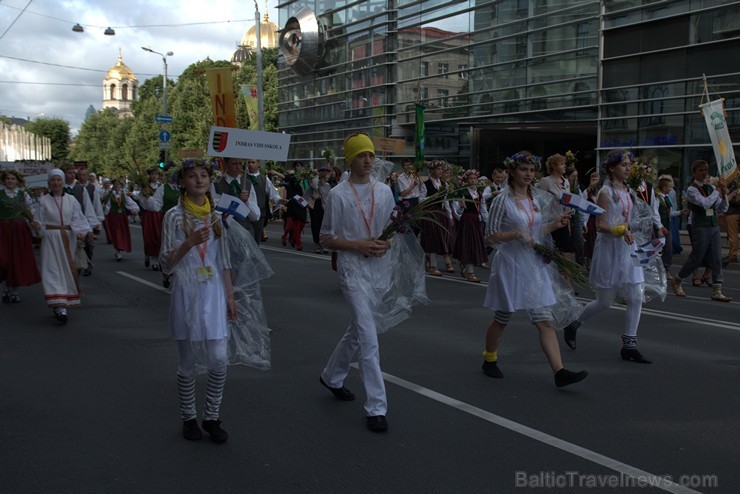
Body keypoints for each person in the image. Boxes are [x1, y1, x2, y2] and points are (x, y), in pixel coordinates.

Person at [482, 151, 587, 387]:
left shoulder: (534, 199)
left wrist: (554, 225)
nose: (528, 175)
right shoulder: (502, 200)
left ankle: (559, 372)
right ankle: (489, 358)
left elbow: (535, 233)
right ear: (512, 171)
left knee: (543, 319)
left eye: (531, 170)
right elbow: (489, 237)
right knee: (502, 317)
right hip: (510, 264)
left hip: (533, 264)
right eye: (523, 170)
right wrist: (515, 234)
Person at [318, 133, 398, 433]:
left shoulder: (384, 191)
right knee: (368, 336)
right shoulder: (338, 194)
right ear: (350, 159)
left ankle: (331, 376)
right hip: (352, 269)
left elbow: (393, 229)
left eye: (370, 155)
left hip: (380, 268)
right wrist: (358, 246)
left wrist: (385, 245)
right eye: (362, 155)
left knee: (360, 329)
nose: (368, 160)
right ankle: (377, 407)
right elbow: (326, 238)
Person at [159, 159, 238, 443]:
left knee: (219, 359)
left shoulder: (216, 216)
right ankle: (189, 417)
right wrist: (189, 242)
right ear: (182, 182)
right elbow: (165, 264)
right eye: (192, 176)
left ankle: (212, 416)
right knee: (189, 360)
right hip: (187, 291)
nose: (199, 180)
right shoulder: (173, 216)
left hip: (214, 292)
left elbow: (224, 261)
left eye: (204, 175)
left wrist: (230, 295)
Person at [562, 150, 653, 364]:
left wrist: (640, 226)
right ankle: (574, 324)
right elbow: (601, 225)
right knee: (604, 302)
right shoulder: (605, 192)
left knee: (636, 296)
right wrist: (622, 229)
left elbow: (631, 218)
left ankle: (629, 345)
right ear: (612, 168)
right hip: (611, 248)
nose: (628, 168)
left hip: (628, 247)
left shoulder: (630, 191)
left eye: (629, 164)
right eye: (623, 164)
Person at [32, 169, 92, 324]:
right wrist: (37, 226)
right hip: (50, 238)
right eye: (53, 180)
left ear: (63, 182)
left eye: (59, 180)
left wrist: (81, 232)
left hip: (67, 237)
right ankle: (59, 306)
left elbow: (78, 218)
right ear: (49, 183)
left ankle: (63, 301)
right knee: (51, 269)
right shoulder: (42, 201)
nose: (56, 183)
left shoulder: (71, 200)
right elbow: (38, 222)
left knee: (65, 269)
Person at [671, 160, 732, 302]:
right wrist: (718, 191)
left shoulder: (711, 188)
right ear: (694, 173)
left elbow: (722, 208)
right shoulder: (692, 189)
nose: (704, 172)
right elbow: (705, 204)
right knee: (697, 257)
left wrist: (723, 195)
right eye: (701, 170)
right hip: (700, 226)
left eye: (705, 170)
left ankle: (717, 289)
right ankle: (678, 279)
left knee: (716, 257)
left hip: (713, 226)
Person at [0, 169, 41, 303]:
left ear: (17, 181)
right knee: (3, 260)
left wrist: (33, 222)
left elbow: (30, 211)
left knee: (16, 260)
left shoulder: (23, 195)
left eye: (12, 179)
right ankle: (6, 285)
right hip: (3, 230)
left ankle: (13, 290)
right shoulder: (0, 194)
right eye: (7, 179)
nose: (10, 181)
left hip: (19, 230)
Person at [452, 169, 488, 282]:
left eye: (474, 179)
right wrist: (461, 208)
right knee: (468, 244)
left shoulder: (480, 194)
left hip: (476, 221)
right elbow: (456, 209)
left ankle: (466, 266)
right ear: (466, 180)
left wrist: (487, 222)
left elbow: (483, 210)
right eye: (470, 179)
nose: (473, 181)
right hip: (467, 220)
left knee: (474, 244)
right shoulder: (463, 193)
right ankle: (470, 273)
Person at [419, 160, 452, 275]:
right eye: (438, 169)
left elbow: (446, 201)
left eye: (441, 169)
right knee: (432, 238)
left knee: (439, 238)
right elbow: (420, 200)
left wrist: (450, 215)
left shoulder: (444, 184)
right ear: (432, 170)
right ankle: (433, 265)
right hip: (430, 213)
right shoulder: (426, 184)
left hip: (440, 213)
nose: (440, 171)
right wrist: (432, 197)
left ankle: (430, 260)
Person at [537, 154, 573, 253]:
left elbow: (568, 204)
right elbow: (538, 203)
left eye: (564, 163)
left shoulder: (566, 182)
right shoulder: (545, 182)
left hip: (564, 222)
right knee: (552, 256)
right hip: (551, 223)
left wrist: (568, 225)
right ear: (553, 166)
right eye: (561, 164)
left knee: (566, 255)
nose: (565, 166)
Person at [245, 158, 286, 244]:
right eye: (249, 163)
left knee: (256, 240)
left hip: (260, 214)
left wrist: (279, 200)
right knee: (247, 239)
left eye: (253, 162)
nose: (250, 164)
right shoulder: (243, 178)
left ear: (258, 164)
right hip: (245, 214)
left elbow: (273, 193)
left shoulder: (264, 179)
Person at [656, 176, 687, 280]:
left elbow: (670, 213)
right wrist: (660, 226)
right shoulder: (657, 199)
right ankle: (658, 269)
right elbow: (655, 214)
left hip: (667, 227)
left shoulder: (667, 198)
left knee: (668, 249)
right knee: (659, 249)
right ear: (664, 188)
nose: (671, 189)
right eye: (669, 187)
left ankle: (666, 269)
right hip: (660, 228)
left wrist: (680, 212)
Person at [102, 178, 140, 261]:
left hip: (122, 216)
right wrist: (106, 212)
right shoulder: (110, 194)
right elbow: (107, 205)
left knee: (122, 233)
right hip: (113, 216)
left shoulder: (123, 194)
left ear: (120, 185)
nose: (117, 186)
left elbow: (129, 202)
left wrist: (135, 209)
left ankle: (121, 248)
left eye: (118, 184)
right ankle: (118, 251)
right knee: (116, 233)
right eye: (115, 184)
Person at [137, 166, 166, 271]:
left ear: (159, 176)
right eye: (152, 174)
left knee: (158, 236)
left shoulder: (161, 187)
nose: (154, 176)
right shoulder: (145, 187)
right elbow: (141, 201)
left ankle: (156, 259)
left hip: (158, 214)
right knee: (148, 237)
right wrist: (145, 197)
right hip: (148, 214)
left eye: (156, 174)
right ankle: (148, 254)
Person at [281, 162, 308, 250]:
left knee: (302, 223)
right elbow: (286, 179)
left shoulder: (306, 177)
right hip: (293, 201)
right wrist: (277, 174)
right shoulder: (293, 177)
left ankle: (293, 239)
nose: (298, 168)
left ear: (302, 167)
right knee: (292, 224)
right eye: (296, 166)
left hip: (303, 202)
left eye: (299, 166)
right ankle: (297, 242)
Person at [307, 168, 332, 253]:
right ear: (324, 174)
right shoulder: (316, 182)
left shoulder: (328, 185)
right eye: (328, 173)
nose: (329, 175)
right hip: (316, 205)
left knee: (324, 226)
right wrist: (317, 174)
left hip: (324, 206)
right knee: (316, 225)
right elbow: (314, 185)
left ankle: (323, 244)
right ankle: (317, 244)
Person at [722, 176, 739, 266]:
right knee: (732, 236)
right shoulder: (732, 183)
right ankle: (732, 255)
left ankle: (733, 255)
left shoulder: (733, 183)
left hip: (733, 212)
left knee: (732, 235)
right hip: (732, 212)